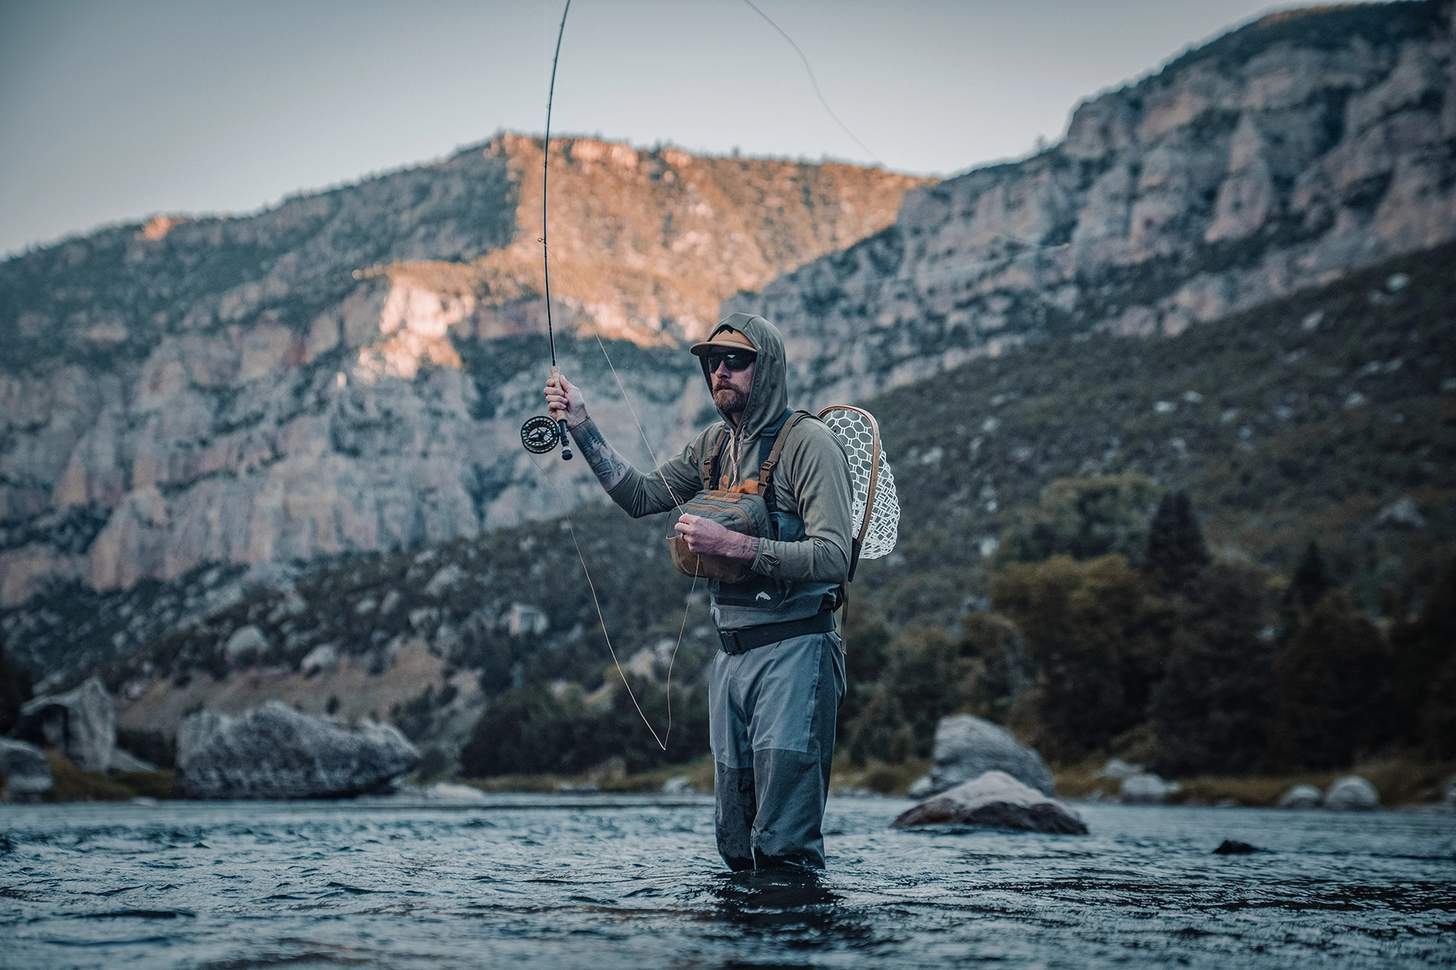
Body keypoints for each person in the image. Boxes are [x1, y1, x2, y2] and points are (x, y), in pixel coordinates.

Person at [543, 312, 854, 871]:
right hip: (730, 661)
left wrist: (735, 546)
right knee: (736, 843)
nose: (720, 372)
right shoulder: (712, 446)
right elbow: (639, 496)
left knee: (784, 843)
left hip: (797, 652)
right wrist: (583, 426)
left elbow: (836, 556)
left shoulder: (811, 445)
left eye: (736, 361)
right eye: (713, 362)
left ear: (769, 367)